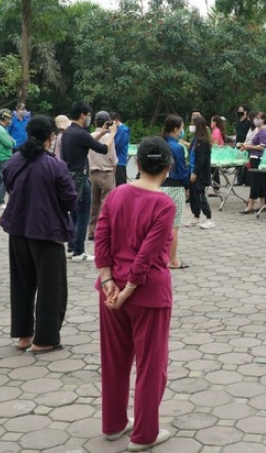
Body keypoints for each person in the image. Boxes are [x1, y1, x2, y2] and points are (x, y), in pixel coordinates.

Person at [94, 137, 176, 451]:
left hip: (110, 291)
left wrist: (107, 279)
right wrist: (127, 289)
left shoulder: (116, 194)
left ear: (137, 164)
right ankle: (144, 435)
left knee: (114, 360)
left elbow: (101, 236)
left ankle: (114, 424)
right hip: (147, 294)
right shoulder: (164, 204)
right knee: (151, 365)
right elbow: (147, 255)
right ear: (168, 168)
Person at [1, 114, 78, 354]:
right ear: (50, 137)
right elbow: (70, 200)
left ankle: (24, 335)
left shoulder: (14, 161)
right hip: (47, 231)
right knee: (51, 286)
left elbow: (9, 186)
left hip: (18, 229)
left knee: (22, 283)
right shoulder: (55, 166)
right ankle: (45, 339)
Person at [60, 101, 111, 262]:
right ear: (82, 115)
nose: (89, 118)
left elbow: (89, 141)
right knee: (83, 216)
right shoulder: (80, 133)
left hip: (69, 177)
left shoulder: (69, 132)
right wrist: (112, 134)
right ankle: (79, 251)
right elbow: (103, 149)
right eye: (88, 115)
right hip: (81, 179)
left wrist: (102, 133)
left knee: (74, 215)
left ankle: (71, 247)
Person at [160, 115, 190, 269]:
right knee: (174, 226)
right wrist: (188, 185)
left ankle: (160, 257)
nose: (182, 131)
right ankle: (172, 259)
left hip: (160, 185)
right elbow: (182, 169)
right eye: (181, 128)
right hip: (175, 187)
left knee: (160, 225)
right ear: (175, 129)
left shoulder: (160, 143)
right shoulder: (177, 147)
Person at [88, 111, 119, 241]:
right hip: (107, 173)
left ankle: (92, 231)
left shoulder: (90, 137)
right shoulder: (108, 137)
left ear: (95, 122)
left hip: (92, 173)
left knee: (93, 204)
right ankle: (102, 231)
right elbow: (113, 157)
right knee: (106, 205)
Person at [240, 111, 266, 214]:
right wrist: (246, 145)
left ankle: (250, 205)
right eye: (255, 118)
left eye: (259, 118)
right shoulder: (259, 130)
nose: (256, 120)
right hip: (254, 158)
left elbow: (262, 147)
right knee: (261, 182)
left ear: (263, 120)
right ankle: (263, 204)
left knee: (255, 182)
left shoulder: (263, 132)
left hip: (258, 159)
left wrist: (249, 147)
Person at [188, 115, 215, 229]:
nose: (191, 126)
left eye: (193, 124)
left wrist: (195, 172)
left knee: (200, 195)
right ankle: (196, 216)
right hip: (191, 171)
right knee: (193, 195)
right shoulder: (195, 140)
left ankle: (209, 218)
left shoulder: (203, 141)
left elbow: (201, 160)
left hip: (200, 174)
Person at [0, 108, 17, 207]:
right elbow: (9, 143)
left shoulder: (1, 129)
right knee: (6, 179)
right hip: (3, 157)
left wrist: (12, 141)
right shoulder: (0, 129)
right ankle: (0, 200)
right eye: (9, 118)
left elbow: (11, 141)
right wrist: (12, 141)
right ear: (5, 118)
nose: (10, 120)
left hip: (0, 157)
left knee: (1, 180)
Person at [234, 105, 252, 186]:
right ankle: (239, 180)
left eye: (240, 110)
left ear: (245, 111)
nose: (239, 112)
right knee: (238, 163)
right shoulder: (238, 121)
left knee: (245, 162)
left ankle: (246, 180)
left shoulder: (248, 122)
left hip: (245, 144)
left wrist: (246, 143)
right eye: (238, 110)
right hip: (237, 143)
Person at [209, 115, 227, 195]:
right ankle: (216, 187)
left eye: (212, 121)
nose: (211, 123)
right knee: (214, 171)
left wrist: (209, 144)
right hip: (218, 153)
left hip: (216, 154)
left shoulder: (216, 131)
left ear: (215, 122)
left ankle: (216, 187)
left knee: (213, 171)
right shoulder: (218, 130)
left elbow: (215, 145)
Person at [112, 112, 131, 187]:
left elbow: (117, 146)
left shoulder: (123, 130)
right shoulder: (117, 129)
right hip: (114, 161)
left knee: (120, 186)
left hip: (120, 162)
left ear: (116, 121)